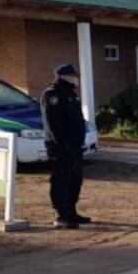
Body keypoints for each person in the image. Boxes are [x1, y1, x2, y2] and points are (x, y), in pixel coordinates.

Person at [41, 64, 90, 229]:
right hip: (60, 148)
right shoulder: (52, 94)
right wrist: (63, 145)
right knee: (61, 180)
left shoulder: (71, 94)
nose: (76, 79)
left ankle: (71, 211)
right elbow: (53, 124)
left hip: (75, 146)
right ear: (63, 76)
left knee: (75, 179)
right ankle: (61, 215)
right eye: (72, 76)